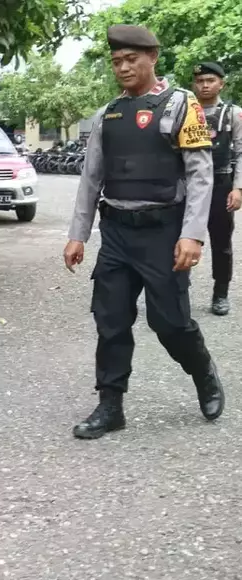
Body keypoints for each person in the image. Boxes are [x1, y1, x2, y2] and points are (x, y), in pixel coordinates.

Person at [63, 24, 225, 440]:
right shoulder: (108, 115)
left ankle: (202, 370)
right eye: (117, 61)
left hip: (163, 233)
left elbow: (200, 173)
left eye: (131, 59)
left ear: (152, 56)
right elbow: (91, 177)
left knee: (170, 322)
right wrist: (78, 234)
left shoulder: (181, 105)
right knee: (110, 320)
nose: (123, 67)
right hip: (116, 231)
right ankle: (110, 405)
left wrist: (192, 234)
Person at [191, 62, 242, 315]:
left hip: (221, 185)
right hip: (188, 186)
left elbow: (241, 151)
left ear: (221, 83)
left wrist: (238, 188)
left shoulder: (233, 113)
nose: (205, 85)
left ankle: (220, 293)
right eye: (200, 81)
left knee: (221, 243)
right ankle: (177, 288)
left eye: (210, 80)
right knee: (180, 237)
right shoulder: (186, 111)